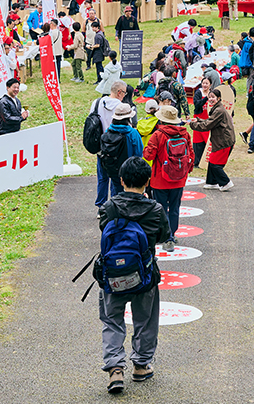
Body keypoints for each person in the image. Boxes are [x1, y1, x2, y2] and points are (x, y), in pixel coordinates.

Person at [97, 156, 170, 394]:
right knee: (145, 320)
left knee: (112, 320)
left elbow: (104, 230)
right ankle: (141, 365)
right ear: (148, 181)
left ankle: (115, 369)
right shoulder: (155, 209)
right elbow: (163, 236)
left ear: (121, 180)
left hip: (112, 276)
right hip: (144, 275)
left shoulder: (109, 207)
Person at [143, 106, 194, 248]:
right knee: (175, 207)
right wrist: (187, 170)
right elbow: (191, 154)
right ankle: (172, 234)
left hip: (160, 179)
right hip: (179, 178)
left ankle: (166, 237)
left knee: (161, 208)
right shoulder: (185, 134)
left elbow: (148, 155)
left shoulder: (158, 135)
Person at [189, 86, 236, 191]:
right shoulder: (217, 108)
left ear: (218, 98)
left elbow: (207, 125)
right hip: (221, 140)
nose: (211, 99)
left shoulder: (219, 110)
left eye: (213, 97)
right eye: (209, 97)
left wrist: (192, 125)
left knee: (215, 164)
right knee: (211, 162)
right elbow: (209, 121)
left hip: (224, 141)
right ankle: (212, 183)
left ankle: (226, 183)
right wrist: (198, 120)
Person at [92, 81, 128, 207]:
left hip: (101, 146)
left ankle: (101, 206)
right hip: (117, 147)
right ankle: (114, 205)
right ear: (119, 92)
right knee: (116, 178)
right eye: (124, 93)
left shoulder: (97, 102)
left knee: (102, 178)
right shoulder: (121, 106)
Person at [191, 77, 212, 164]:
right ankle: (197, 161)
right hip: (198, 119)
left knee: (207, 140)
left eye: (207, 83)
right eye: (203, 83)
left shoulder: (212, 93)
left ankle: (206, 161)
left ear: (210, 84)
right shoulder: (198, 92)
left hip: (208, 120)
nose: (205, 85)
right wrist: (206, 98)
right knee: (198, 140)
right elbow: (197, 104)